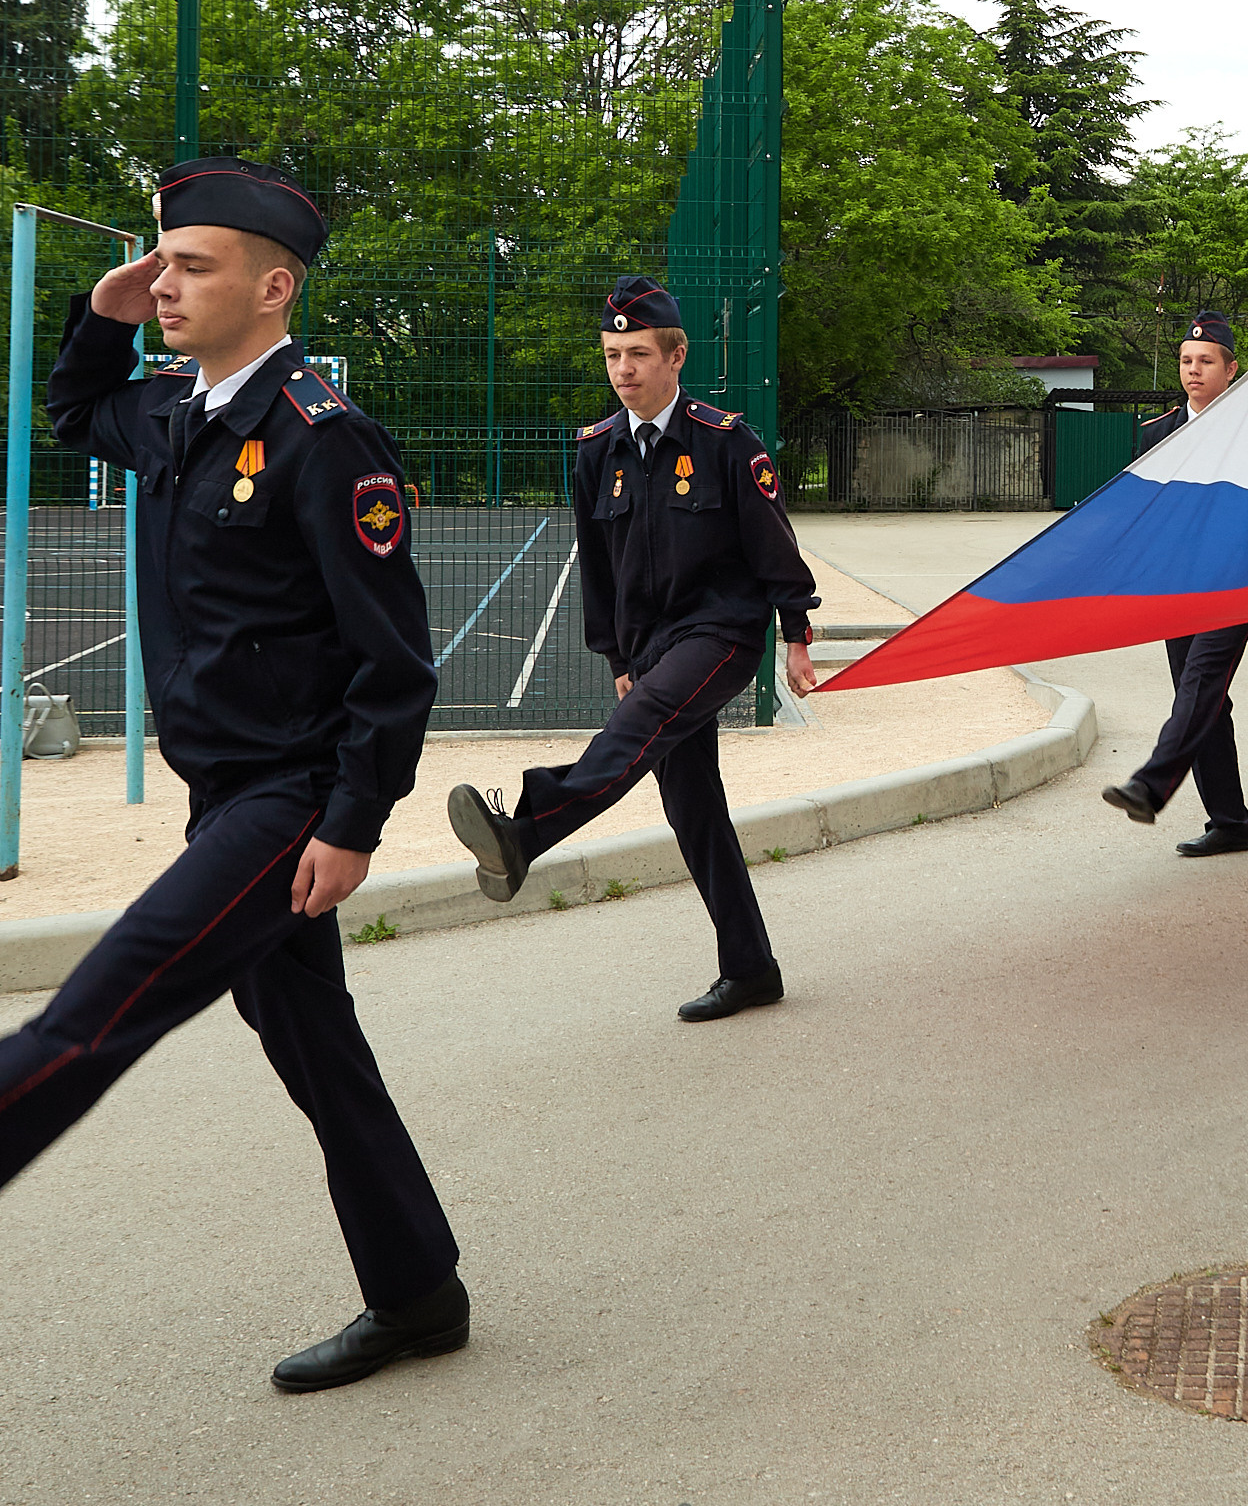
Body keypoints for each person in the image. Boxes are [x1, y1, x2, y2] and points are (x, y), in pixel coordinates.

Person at [0, 157, 467, 1392]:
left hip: (287, 799)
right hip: (224, 788)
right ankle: (419, 1291)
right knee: (316, 1044)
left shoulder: (324, 437)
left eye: (190, 265)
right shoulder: (175, 411)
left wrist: (352, 817)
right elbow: (70, 413)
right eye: (160, 262)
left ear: (273, 287)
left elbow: (395, 661)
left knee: (97, 1010)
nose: (163, 283)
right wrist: (99, 315)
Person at [447, 278, 820, 1023]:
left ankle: (526, 827)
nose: (623, 368)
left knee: (639, 728)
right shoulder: (596, 450)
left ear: (676, 357)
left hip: (720, 634)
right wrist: (618, 658)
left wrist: (797, 639)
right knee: (693, 808)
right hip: (650, 648)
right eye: (613, 354)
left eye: (639, 353)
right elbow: (600, 566)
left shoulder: (725, 442)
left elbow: (775, 547)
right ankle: (751, 968)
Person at [1100, 310, 1248, 857]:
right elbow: (1147, 521)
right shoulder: (1155, 435)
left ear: (1232, 369)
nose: (1193, 370)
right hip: (1178, 591)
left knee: (1201, 684)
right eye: (1186, 361)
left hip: (1237, 584)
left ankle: (1150, 785)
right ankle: (1230, 822)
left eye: (1206, 361)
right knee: (1205, 701)